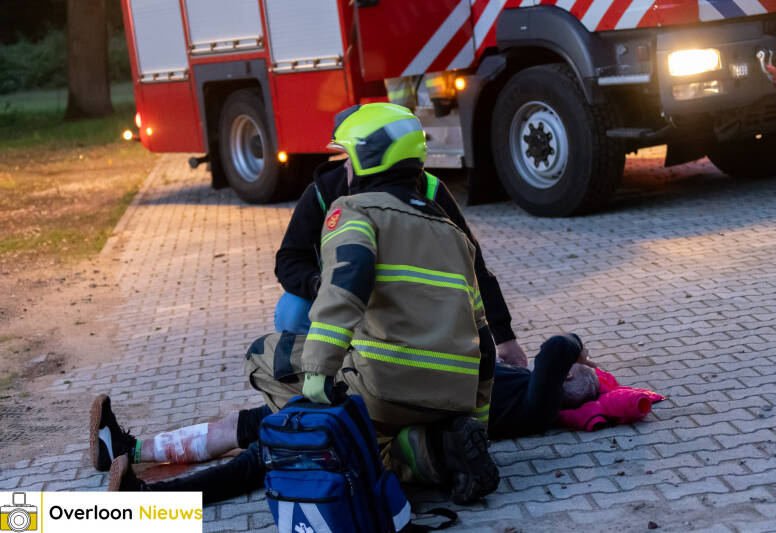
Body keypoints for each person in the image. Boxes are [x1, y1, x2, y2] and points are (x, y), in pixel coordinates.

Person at [98, 103, 499, 505]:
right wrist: (477, 421)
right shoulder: (454, 234)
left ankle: (151, 501)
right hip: (452, 397)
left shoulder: (354, 211)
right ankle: (438, 452)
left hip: (384, 389)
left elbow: (345, 288)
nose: (345, 168)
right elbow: (483, 338)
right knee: (327, 434)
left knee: (265, 365)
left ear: (367, 157)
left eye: (347, 157)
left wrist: (320, 374)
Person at [92, 334, 597, 501]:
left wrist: (578, 352)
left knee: (261, 456)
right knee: (246, 427)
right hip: (387, 396)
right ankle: (128, 450)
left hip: (383, 416)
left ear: (569, 384)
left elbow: (557, 348)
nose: (581, 371)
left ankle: (148, 504)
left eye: (582, 376)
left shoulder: (537, 404)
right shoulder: (523, 383)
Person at [274, 131, 527, 368]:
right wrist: (323, 287)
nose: (345, 165)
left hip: (409, 304)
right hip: (344, 301)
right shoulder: (323, 192)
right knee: (292, 310)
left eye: (350, 157)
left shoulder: (429, 190)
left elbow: (473, 265)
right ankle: (318, 370)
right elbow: (289, 260)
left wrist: (504, 337)